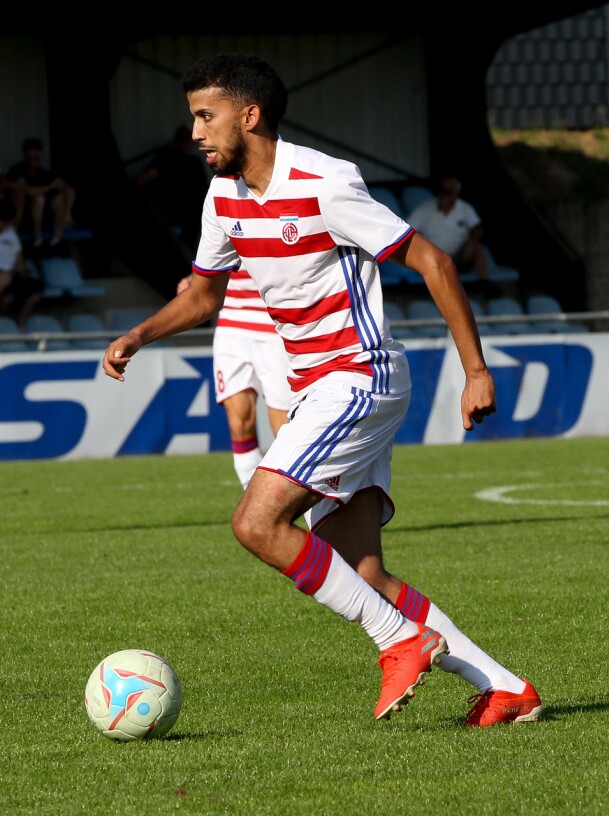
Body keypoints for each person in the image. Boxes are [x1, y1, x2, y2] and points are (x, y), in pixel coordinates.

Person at [103, 53, 541, 726]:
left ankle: (398, 641)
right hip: (319, 390)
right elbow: (204, 295)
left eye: (204, 115)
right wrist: (140, 334)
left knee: (256, 522)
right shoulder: (223, 196)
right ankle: (507, 688)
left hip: (359, 375)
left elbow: (434, 261)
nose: (192, 132)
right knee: (361, 573)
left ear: (248, 116)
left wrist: (475, 369)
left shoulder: (324, 181)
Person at [176, 269, 291, 489]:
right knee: (239, 423)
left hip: (275, 323)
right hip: (232, 322)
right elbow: (216, 258)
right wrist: (194, 279)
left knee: (285, 431)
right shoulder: (221, 230)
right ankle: (259, 513)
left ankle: (315, 514)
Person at [406, 174, 496, 296]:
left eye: (448, 191)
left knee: (478, 248)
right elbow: (407, 230)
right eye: (441, 190)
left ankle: (485, 283)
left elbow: (477, 228)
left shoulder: (465, 208)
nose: (443, 194)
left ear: (455, 193)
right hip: (433, 257)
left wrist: (472, 241)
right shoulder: (424, 209)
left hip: (460, 258)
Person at [137, 125, 211, 251]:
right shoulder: (167, 157)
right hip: (175, 216)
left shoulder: (194, 162)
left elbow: (204, 187)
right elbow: (145, 178)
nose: (188, 142)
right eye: (184, 138)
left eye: (189, 138)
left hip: (193, 216)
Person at [6, 137, 76, 249]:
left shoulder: (44, 174)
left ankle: (56, 238)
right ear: (24, 155)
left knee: (60, 198)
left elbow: (69, 190)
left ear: (41, 155)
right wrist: (51, 185)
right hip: (23, 217)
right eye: (29, 158)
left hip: (44, 217)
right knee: (39, 199)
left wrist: (68, 213)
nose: (33, 161)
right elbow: (30, 191)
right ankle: (38, 238)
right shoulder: (17, 170)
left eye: (36, 158)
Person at [0, 197, 43, 329]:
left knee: (35, 292)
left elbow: (19, 256)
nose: (4, 225)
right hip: (3, 275)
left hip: (13, 274)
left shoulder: (11, 233)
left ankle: (21, 322)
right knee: (8, 296)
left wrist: (20, 268)